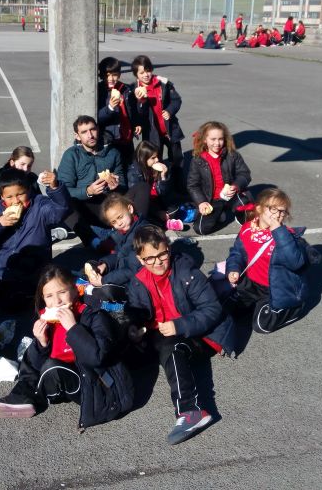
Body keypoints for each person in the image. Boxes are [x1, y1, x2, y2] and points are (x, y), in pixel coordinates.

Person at [124, 225, 234, 444]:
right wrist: (135, 327)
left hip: (200, 334)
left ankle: (191, 411)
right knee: (130, 345)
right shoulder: (138, 281)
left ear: (169, 249)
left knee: (170, 348)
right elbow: (138, 311)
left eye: (162, 254)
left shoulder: (187, 272)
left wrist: (179, 325)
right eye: (150, 258)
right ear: (140, 259)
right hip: (163, 332)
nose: (158, 262)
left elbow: (212, 309)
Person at [0, 264, 133, 427]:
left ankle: (32, 399)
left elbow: (97, 358)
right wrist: (42, 343)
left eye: (62, 292)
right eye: (49, 296)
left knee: (52, 368)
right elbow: (32, 366)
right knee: (35, 354)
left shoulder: (94, 316)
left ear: (75, 290)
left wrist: (73, 328)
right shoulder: (48, 320)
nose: (57, 301)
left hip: (97, 386)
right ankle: (20, 396)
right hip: (65, 379)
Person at [0, 168, 70, 310]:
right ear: (2, 196)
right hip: (5, 269)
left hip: (34, 268)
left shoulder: (39, 206)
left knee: (30, 299)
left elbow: (60, 211)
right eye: (9, 197)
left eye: (20, 194)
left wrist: (55, 187)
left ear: (28, 190)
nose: (16, 200)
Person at [224, 188, 310, 333]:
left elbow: (295, 263)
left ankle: (294, 309)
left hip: (274, 289)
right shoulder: (247, 229)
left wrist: (279, 232)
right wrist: (234, 268)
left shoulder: (287, 237)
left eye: (282, 211)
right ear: (259, 208)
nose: (278, 215)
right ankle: (256, 304)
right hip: (251, 284)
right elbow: (237, 252)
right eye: (273, 209)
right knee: (228, 311)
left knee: (261, 325)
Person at [57, 115, 126, 252]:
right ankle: (94, 241)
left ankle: (129, 230)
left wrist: (116, 186)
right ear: (77, 136)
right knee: (63, 203)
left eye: (92, 129)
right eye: (84, 132)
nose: (90, 135)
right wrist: (88, 191)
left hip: (108, 204)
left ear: (98, 129)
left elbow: (123, 182)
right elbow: (64, 189)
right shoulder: (71, 155)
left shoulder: (112, 152)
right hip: (84, 207)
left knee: (142, 188)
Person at [187, 121, 253, 236]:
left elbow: (245, 173)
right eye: (213, 139)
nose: (217, 143)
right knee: (200, 229)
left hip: (231, 195)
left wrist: (236, 186)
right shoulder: (198, 160)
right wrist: (201, 202)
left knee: (247, 212)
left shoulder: (232, 155)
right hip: (211, 199)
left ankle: (240, 216)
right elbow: (192, 185)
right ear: (205, 140)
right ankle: (220, 215)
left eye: (220, 139)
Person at [131, 55, 186, 191]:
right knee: (156, 160)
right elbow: (136, 112)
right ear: (136, 74)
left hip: (170, 129)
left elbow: (176, 100)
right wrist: (141, 102)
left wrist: (170, 110)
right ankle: (158, 188)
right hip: (152, 132)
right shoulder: (134, 90)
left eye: (148, 71)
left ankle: (179, 184)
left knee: (177, 158)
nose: (146, 75)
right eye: (141, 73)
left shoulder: (163, 83)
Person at [126, 140, 182, 230]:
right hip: (146, 204)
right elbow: (140, 200)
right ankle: (159, 223)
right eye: (153, 158)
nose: (157, 160)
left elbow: (163, 192)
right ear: (144, 158)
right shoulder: (134, 173)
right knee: (153, 219)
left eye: (157, 156)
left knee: (173, 211)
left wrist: (163, 176)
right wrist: (157, 212)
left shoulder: (159, 167)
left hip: (157, 200)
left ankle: (161, 221)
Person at [97, 56, 141, 166]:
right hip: (110, 139)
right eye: (107, 75)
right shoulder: (99, 91)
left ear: (119, 74)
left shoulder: (126, 89)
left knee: (130, 167)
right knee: (114, 169)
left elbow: (132, 110)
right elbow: (97, 118)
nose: (111, 79)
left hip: (126, 138)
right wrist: (110, 108)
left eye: (114, 75)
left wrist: (136, 123)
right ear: (102, 75)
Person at [0, 146, 40, 211]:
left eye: (29, 166)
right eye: (22, 164)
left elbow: (39, 200)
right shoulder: (1, 176)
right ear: (12, 163)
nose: (25, 169)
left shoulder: (32, 178)